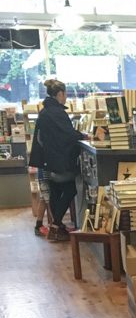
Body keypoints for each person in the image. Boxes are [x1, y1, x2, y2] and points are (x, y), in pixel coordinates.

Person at [28, 79, 85, 243]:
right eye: (65, 94)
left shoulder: (45, 112)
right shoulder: (57, 113)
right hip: (58, 161)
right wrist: (83, 136)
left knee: (54, 194)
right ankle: (56, 226)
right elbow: (67, 135)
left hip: (47, 161)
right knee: (70, 188)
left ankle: (57, 227)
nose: (66, 97)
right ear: (60, 94)